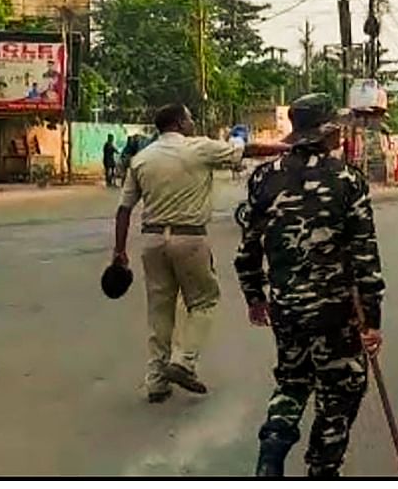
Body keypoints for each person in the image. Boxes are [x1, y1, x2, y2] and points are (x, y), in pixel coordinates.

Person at [235, 94, 385, 477]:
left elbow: (249, 246)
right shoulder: (347, 180)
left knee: (292, 379)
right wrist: (372, 321)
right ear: (329, 131)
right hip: (335, 310)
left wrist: (254, 295)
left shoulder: (264, 177)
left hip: (286, 306)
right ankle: (323, 468)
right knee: (342, 388)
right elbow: (365, 257)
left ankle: (273, 447)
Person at [112, 103, 287, 403]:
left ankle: (156, 381)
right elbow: (247, 150)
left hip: (152, 240)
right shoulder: (199, 149)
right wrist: (287, 147)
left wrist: (119, 252)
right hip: (188, 238)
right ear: (180, 123)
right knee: (204, 301)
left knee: (159, 310)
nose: (193, 122)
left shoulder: (141, 159)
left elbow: (124, 209)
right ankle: (183, 361)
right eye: (190, 118)